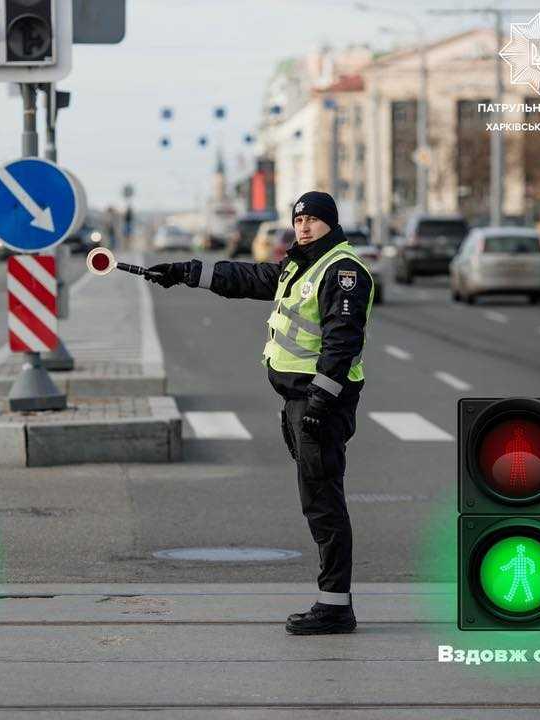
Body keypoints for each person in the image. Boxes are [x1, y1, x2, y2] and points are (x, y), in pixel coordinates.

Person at [146, 190, 373, 635]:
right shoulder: (301, 264)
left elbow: (342, 343)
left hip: (319, 402)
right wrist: (185, 272)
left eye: (313, 220)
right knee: (317, 501)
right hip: (300, 401)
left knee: (324, 503)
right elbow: (246, 278)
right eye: (299, 219)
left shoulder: (342, 270)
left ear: (331, 222)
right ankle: (333, 602)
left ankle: (334, 607)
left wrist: (321, 403)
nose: (304, 226)